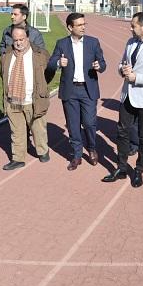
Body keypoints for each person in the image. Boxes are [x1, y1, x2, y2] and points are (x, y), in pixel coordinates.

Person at [102, 12, 143, 188]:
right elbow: (122, 63)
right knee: (122, 132)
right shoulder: (130, 42)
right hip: (127, 96)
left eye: (133, 25)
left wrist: (136, 77)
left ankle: (139, 170)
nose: (130, 28)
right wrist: (121, 70)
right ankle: (121, 168)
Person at [47, 13, 107, 170]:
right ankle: (77, 155)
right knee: (73, 125)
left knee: (89, 123)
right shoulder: (62, 44)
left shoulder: (93, 43)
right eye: (79, 25)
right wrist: (59, 62)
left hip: (88, 90)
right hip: (70, 90)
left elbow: (102, 62)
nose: (83, 27)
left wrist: (99, 66)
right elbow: (51, 63)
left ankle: (92, 148)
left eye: (84, 24)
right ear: (70, 27)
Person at [0, 26, 53, 170]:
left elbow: (48, 73)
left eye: (21, 39)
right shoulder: (6, 55)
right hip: (13, 100)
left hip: (33, 99)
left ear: (28, 38)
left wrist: (41, 87)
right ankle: (18, 158)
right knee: (16, 132)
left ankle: (42, 151)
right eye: (15, 40)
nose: (18, 42)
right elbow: (3, 74)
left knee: (38, 129)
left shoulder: (40, 54)